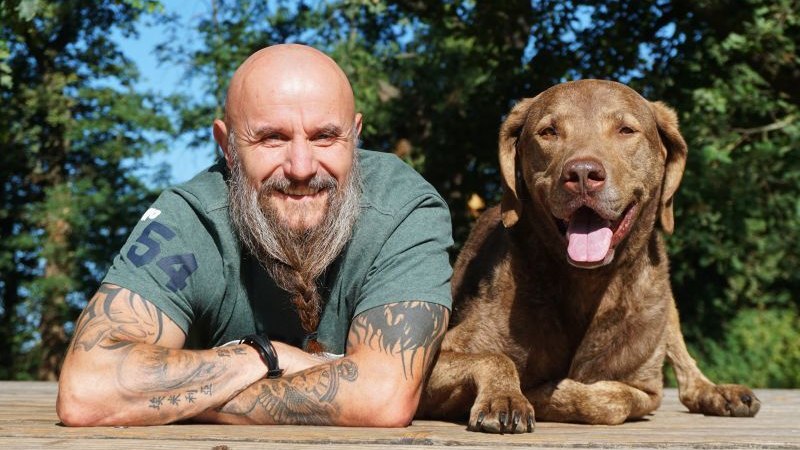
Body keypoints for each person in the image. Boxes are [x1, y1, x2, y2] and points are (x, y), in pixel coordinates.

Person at [56, 44, 453, 427]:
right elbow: (87, 391)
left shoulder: (403, 208)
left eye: (324, 137)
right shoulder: (192, 218)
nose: (301, 167)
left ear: (356, 134)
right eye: (272, 138)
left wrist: (171, 399)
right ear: (227, 146)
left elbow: (382, 398)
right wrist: (262, 358)